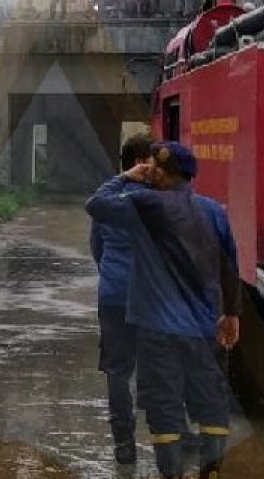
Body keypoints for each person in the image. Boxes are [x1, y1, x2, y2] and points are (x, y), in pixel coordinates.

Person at [86, 142, 242, 479]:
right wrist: (232, 313)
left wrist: (126, 175)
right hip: (203, 328)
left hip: (158, 330)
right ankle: (210, 471)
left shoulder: (145, 205)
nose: (150, 170)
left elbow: (96, 205)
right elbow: (230, 265)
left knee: (164, 407)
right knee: (212, 405)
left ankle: (168, 472)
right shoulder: (213, 210)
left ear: (167, 173)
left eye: (155, 166)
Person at [89, 132, 155, 466]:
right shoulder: (158, 200)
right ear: (143, 162)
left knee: (117, 371)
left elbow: (97, 249)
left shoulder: (110, 201)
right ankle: (167, 438)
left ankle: (124, 445)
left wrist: (114, 275)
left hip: (114, 295)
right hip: (152, 298)